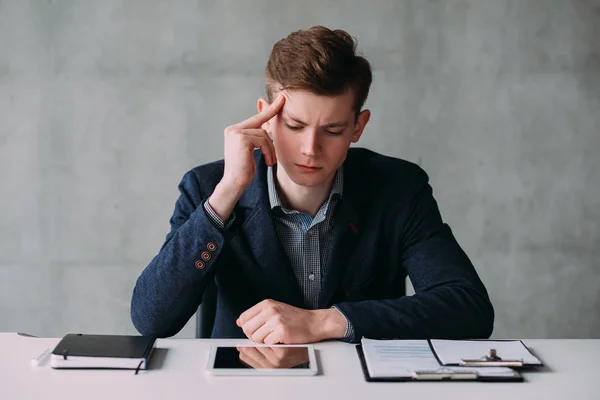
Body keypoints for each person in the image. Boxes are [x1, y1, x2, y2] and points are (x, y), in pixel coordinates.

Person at [130, 26, 494, 344]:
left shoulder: (399, 188)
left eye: (332, 131)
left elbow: (469, 306)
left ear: (358, 126)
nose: (310, 149)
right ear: (266, 117)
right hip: (245, 386)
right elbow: (151, 320)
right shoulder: (207, 186)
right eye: (294, 126)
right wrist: (227, 193)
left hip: (357, 388)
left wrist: (326, 321)